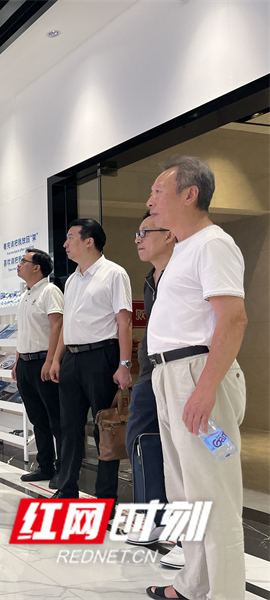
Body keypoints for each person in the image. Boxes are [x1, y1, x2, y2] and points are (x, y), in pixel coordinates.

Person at [145, 156, 246, 600]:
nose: (150, 200)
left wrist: (205, 390)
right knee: (186, 491)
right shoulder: (184, 248)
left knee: (214, 493)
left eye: (157, 191)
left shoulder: (213, 244)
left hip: (197, 376)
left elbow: (233, 319)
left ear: (190, 194)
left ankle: (225, 593)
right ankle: (193, 583)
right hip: (171, 375)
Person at [49, 218, 132, 503]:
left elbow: (124, 322)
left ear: (89, 241)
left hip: (102, 356)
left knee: (105, 427)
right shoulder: (72, 279)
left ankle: (106, 497)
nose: (65, 244)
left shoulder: (114, 273)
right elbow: (67, 323)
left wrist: (124, 365)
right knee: (69, 427)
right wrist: (57, 359)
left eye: (70, 237)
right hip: (72, 358)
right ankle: (66, 488)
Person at [125, 211, 185, 570]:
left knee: (197, 452)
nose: (138, 238)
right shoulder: (152, 279)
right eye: (137, 232)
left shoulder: (188, 270)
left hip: (188, 372)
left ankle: (190, 537)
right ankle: (154, 517)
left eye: (145, 232)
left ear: (170, 234)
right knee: (141, 439)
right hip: (153, 372)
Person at [12, 248, 64, 489]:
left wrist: (51, 360)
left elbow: (58, 326)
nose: (19, 264)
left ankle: (63, 469)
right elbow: (24, 331)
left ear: (37, 267)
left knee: (56, 419)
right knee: (37, 419)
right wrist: (17, 361)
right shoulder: (26, 294)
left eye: (24, 261)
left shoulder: (50, 291)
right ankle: (45, 466)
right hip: (26, 363)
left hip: (44, 360)